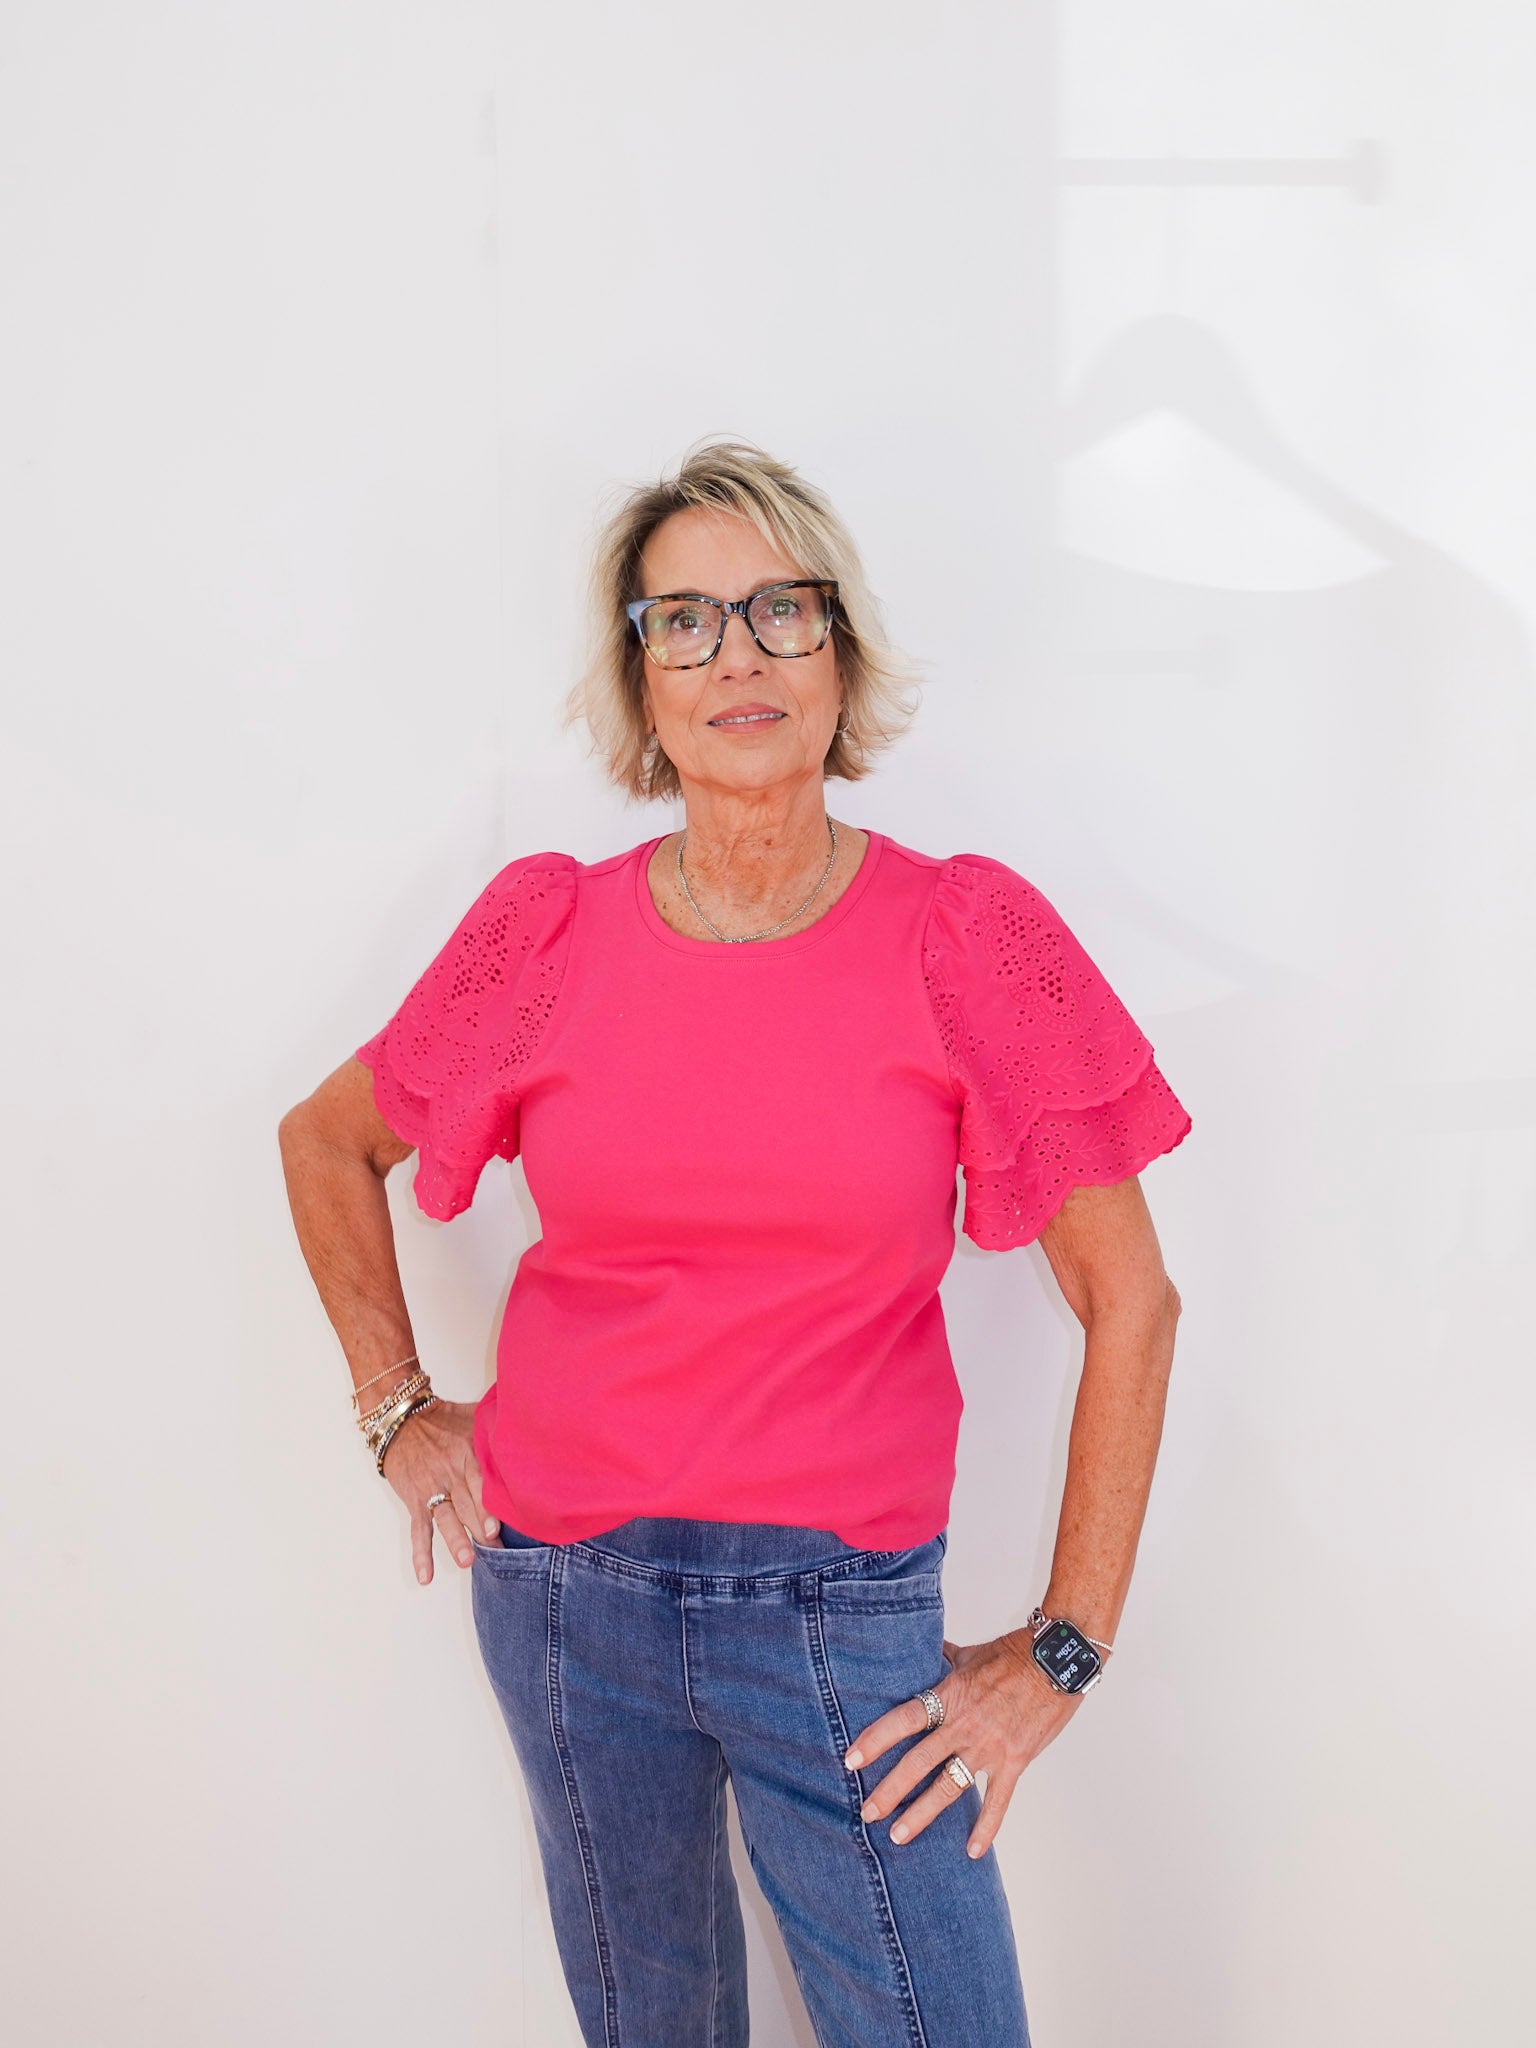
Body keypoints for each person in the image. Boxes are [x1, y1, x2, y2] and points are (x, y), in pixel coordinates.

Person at [278, 436, 1192, 2048]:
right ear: (641, 683)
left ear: (843, 654)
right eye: (684, 622)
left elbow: (1134, 1300)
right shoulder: (546, 931)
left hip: (841, 1629)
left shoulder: (967, 937)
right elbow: (326, 1139)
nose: (739, 657)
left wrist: (1063, 1648)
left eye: (783, 611)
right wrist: (395, 1408)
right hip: (566, 1603)